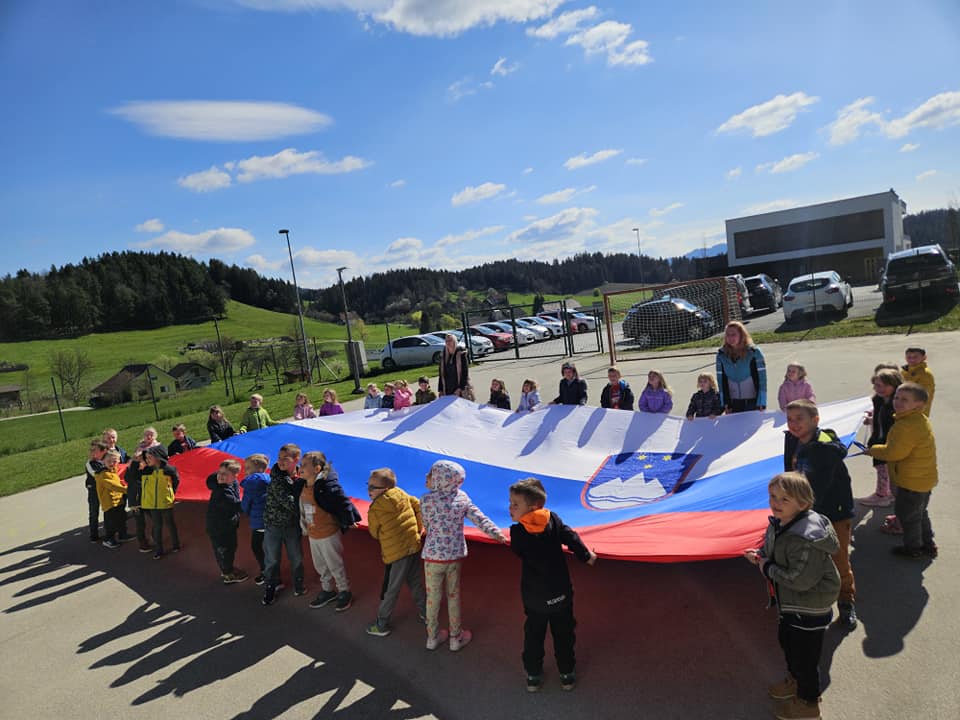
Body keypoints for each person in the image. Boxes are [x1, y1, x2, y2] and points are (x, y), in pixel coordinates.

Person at [744, 472, 840, 720]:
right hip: (792, 605)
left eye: (785, 499)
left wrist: (765, 566)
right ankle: (794, 680)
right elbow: (772, 547)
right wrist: (761, 553)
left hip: (809, 607)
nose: (776, 502)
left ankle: (808, 704)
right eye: (773, 496)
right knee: (787, 642)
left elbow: (800, 580)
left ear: (803, 504)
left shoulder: (805, 539)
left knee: (805, 657)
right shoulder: (780, 522)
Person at [508, 478, 596, 692]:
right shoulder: (553, 520)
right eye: (510, 503)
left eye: (515, 504)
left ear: (533, 506)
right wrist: (587, 556)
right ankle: (567, 674)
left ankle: (533, 676)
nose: (510, 508)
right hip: (561, 593)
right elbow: (571, 537)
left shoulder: (517, 532)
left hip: (535, 598)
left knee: (534, 636)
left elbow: (518, 552)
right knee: (564, 634)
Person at [783, 399, 857, 630]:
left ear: (815, 420)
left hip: (834, 513)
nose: (794, 424)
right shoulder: (792, 440)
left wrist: (804, 512)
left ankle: (846, 601)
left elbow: (824, 477)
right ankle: (812, 604)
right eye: (790, 419)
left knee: (839, 561)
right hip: (805, 512)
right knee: (808, 561)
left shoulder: (824, 443)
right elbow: (792, 473)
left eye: (800, 419)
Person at [421, 460, 507, 651]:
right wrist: (497, 534)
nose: (427, 477)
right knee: (453, 596)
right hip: (453, 557)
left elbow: (427, 525)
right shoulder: (462, 498)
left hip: (432, 558)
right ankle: (455, 637)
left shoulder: (426, 500)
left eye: (431, 474)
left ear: (439, 479)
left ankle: (432, 637)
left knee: (432, 598)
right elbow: (480, 519)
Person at [865, 383, 938, 559]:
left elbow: (893, 453)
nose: (898, 402)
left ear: (919, 405)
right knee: (920, 513)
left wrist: (873, 450)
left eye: (905, 400)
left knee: (908, 518)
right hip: (923, 481)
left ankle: (913, 549)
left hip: (910, 482)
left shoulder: (905, 426)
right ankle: (928, 544)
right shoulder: (918, 420)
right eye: (897, 397)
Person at [365, 467, 427, 637]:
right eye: (368, 486)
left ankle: (381, 623)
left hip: (396, 554)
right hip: (413, 546)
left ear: (385, 490)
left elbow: (373, 532)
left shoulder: (375, 509)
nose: (368, 490)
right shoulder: (401, 493)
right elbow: (418, 506)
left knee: (391, 589)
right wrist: (418, 529)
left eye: (372, 487)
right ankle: (427, 613)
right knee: (415, 582)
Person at [300, 451, 361, 612]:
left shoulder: (325, 486)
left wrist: (349, 518)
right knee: (320, 565)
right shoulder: (303, 485)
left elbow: (342, 501)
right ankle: (327, 590)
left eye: (304, 465)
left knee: (335, 564)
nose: (300, 467)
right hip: (313, 534)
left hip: (328, 533)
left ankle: (344, 591)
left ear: (317, 468)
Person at [262, 444, 305, 606]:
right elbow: (291, 503)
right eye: (279, 458)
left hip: (292, 526)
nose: (280, 462)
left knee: (296, 557)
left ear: (296, 460)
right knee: (272, 558)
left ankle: (299, 583)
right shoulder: (278, 480)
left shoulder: (301, 476)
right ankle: (271, 584)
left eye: (285, 459)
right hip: (274, 524)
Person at [860, 368, 902, 508]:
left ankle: (882, 495)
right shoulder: (879, 401)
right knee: (882, 468)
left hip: (889, 444)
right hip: (879, 439)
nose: (878, 388)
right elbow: (882, 421)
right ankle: (888, 492)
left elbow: (893, 424)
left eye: (883, 385)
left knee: (883, 469)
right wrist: (872, 420)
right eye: (876, 385)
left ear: (894, 385)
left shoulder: (897, 404)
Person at [206, 460, 249, 584]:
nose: (220, 475)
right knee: (225, 550)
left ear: (235, 476)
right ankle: (227, 574)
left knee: (230, 547)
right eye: (220, 472)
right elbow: (239, 506)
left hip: (225, 525)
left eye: (225, 473)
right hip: (219, 528)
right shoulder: (223, 492)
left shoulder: (231, 483)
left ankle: (227, 568)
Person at [140, 445, 181, 560]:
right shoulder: (145, 471)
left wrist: (170, 492)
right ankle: (159, 550)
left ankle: (175, 544)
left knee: (170, 523)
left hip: (165, 501)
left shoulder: (169, 469)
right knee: (157, 526)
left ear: (158, 457)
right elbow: (131, 477)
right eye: (146, 458)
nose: (147, 460)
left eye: (150, 457)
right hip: (152, 503)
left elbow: (176, 481)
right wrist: (136, 463)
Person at [716, 321, 767, 413]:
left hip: (753, 402)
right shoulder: (721, 354)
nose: (730, 337)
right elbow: (721, 380)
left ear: (741, 335)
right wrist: (725, 403)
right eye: (728, 335)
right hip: (733, 402)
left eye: (734, 334)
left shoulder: (755, 352)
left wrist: (761, 401)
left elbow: (762, 379)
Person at [241, 453, 271, 585]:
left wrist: (244, 510)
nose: (245, 470)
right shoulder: (269, 479)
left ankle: (266, 571)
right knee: (271, 548)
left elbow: (246, 503)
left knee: (257, 547)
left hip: (259, 522)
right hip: (271, 520)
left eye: (247, 467)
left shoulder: (250, 484)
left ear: (257, 468)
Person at [96, 450, 128, 549]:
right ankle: (108, 539)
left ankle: (122, 534)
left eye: (114, 461)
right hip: (109, 503)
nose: (111, 463)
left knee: (121, 518)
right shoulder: (103, 474)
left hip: (118, 500)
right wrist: (129, 490)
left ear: (118, 461)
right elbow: (113, 486)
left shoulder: (113, 471)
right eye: (109, 461)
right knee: (111, 522)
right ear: (103, 461)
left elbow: (118, 483)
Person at [85, 440, 108, 542]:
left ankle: (109, 532)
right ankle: (94, 535)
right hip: (93, 491)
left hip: (103, 490)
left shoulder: (104, 460)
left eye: (95, 450)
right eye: (91, 450)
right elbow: (95, 474)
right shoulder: (89, 463)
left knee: (108, 510)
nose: (93, 453)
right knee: (94, 512)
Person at [901, 347, 934, 415]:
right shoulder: (904, 371)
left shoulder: (925, 374)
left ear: (924, 357)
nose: (912, 359)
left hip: (917, 413)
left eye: (915, 357)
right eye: (909, 357)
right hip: (903, 410)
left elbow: (922, 396)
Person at [437, 334, 470, 399]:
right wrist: (440, 390)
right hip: (447, 389)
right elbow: (441, 374)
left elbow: (465, 373)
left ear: (454, 341)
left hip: (459, 388)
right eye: (446, 341)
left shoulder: (461, 354)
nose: (448, 342)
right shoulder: (443, 356)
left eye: (450, 340)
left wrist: (460, 388)